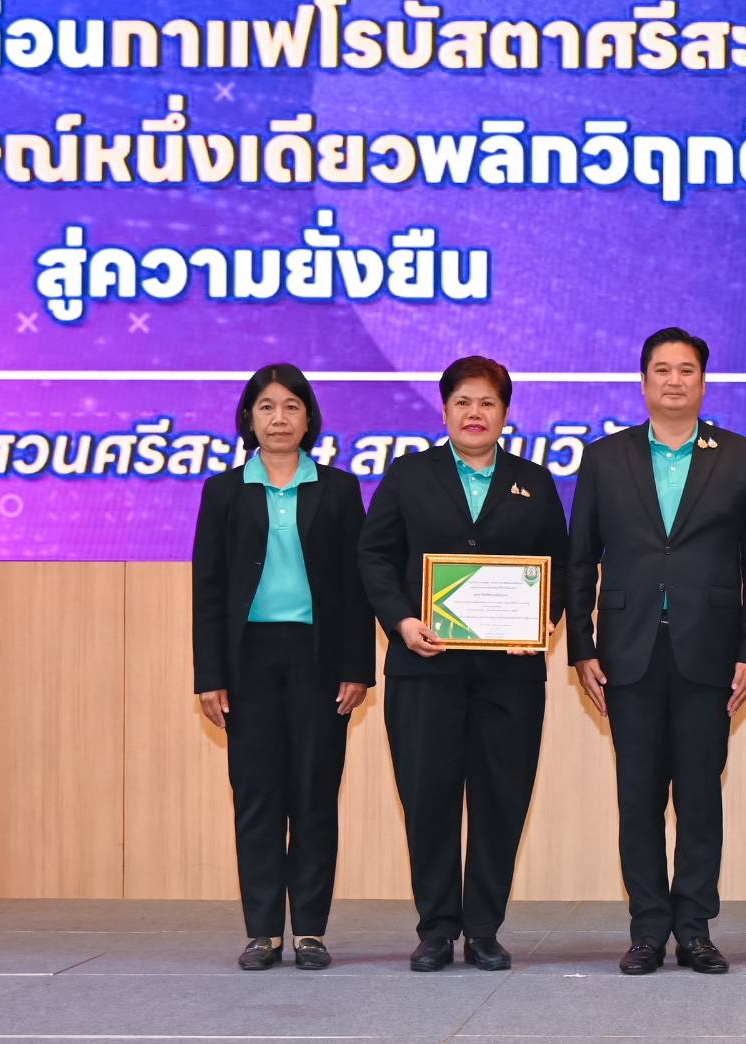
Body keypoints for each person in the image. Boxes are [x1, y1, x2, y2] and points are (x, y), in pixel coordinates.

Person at [567, 326, 746, 975]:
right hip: (626, 653)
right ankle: (648, 929)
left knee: (700, 797)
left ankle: (695, 928)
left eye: (687, 370)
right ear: (644, 381)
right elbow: (580, 560)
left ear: (703, 382)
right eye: (662, 369)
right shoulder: (605, 458)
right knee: (639, 798)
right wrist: (581, 646)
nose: (674, 380)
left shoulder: (740, 457)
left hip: (710, 652)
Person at [358, 356, 568, 973]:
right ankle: (435, 928)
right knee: (428, 799)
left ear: (506, 413)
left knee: (501, 800)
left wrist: (541, 622)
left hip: (510, 676)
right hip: (425, 670)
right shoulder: (409, 475)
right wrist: (402, 621)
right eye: (463, 403)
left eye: (488, 403)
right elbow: (374, 557)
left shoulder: (534, 481)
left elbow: (560, 565)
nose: (475, 414)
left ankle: (483, 929)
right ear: (445, 409)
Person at [191, 363, 374, 971]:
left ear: (308, 418)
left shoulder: (339, 489)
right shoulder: (224, 491)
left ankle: (311, 931)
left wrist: (357, 666)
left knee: (315, 795)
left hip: (319, 659)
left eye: (291, 407)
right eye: (267, 407)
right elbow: (208, 590)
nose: (278, 419)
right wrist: (210, 676)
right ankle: (263, 931)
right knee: (257, 795)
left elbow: (356, 586)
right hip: (248, 662)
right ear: (249, 418)